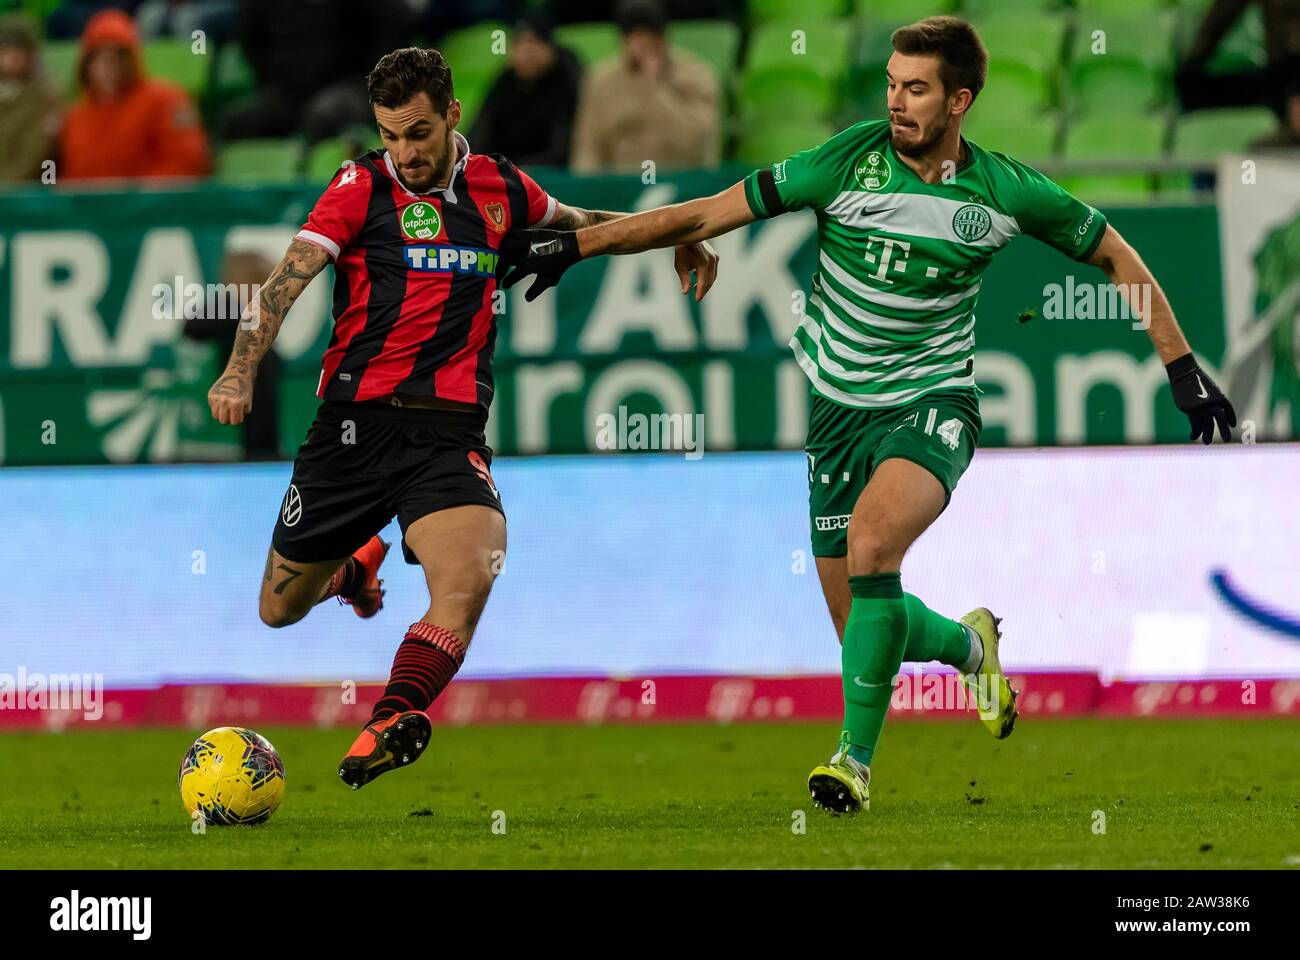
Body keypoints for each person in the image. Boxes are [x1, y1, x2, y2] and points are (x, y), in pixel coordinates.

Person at [502, 16, 1238, 815]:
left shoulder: (1004, 190)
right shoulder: (845, 163)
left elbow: (1113, 254)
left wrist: (1181, 365)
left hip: (932, 402)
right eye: (890, 84)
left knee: (872, 543)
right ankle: (966, 644)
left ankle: (852, 762)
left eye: (915, 89)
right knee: (863, 625)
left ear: (959, 101)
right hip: (835, 412)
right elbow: (708, 213)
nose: (896, 102)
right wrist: (578, 247)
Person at [205, 47, 717, 790]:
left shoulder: (499, 186)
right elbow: (284, 284)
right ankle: (356, 566)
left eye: (417, 133)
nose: (404, 153)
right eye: (390, 136)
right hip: (349, 430)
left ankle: (390, 717)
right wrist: (238, 367)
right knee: (277, 610)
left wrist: (680, 233)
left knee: (469, 578)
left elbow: (583, 227)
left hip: (447, 436)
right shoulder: (357, 187)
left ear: (452, 114)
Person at [58, 9, 210, 181]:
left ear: (132, 59)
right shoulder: (76, 117)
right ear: (86, 63)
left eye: (117, 56)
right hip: (90, 207)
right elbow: (69, 179)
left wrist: (134, 198)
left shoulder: (166, 101)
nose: (108, 66)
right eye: (98, 57)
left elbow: (186, 163)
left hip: (154, 205)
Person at [569, 0, 719, 174]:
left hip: (681, 179)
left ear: (663, 39)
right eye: (635, 41)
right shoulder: (602, 80)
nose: (641, 50)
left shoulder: (697, 76)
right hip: (622, 182)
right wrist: (587, 191)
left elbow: (696, 142)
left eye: (650, 42)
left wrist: (655, 89)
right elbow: (588, 149)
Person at [183, 251, 282, 460]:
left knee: (260, 439)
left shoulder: (249, 313)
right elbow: (192, 328)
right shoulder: (231, 310)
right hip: (234, 403)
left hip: (254, 405)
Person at [469, 12, 581, 168]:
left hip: (552, 174)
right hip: (506, 171)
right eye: (520, 43)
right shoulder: (505, 81)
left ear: (551, 48)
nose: (527, 52)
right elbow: (480, 133)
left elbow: (564, 147)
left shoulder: (568, 79)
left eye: (534, 42)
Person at [0, 15, 63, 183]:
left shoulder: (47, 98)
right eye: (6, 51)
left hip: (31, 194)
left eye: (18, 51)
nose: (12, 58)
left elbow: (43, 157)